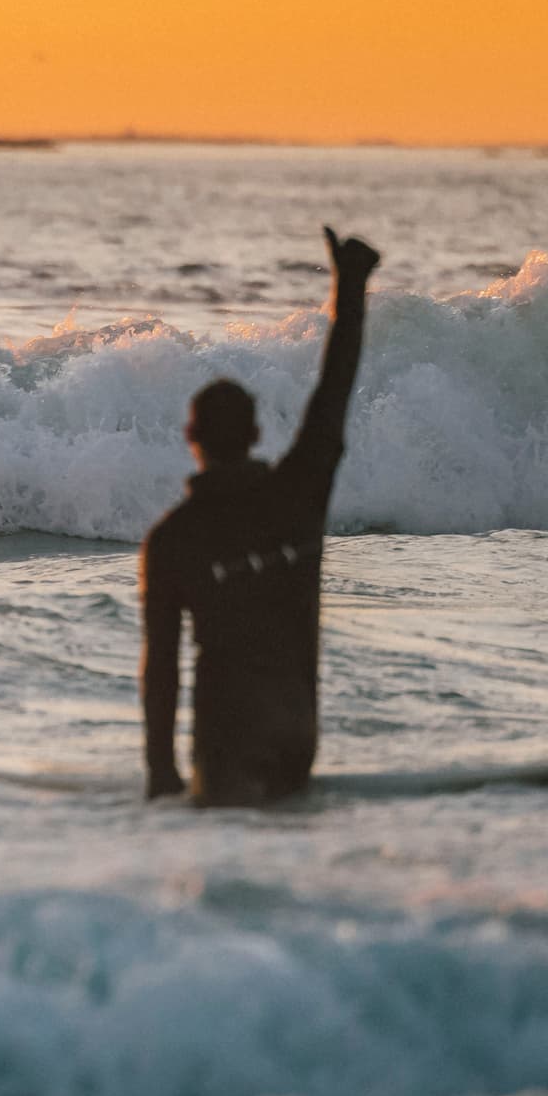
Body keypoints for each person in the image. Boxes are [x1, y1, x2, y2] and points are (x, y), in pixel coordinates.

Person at [140, 226, 379, 805]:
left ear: (190, 437)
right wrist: (350, 287)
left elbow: (162, 670)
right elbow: (334, 390)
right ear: (254, 433)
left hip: (225, 749)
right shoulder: (299, 492)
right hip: (297, 738)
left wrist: (161, 773)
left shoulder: (173, 539)